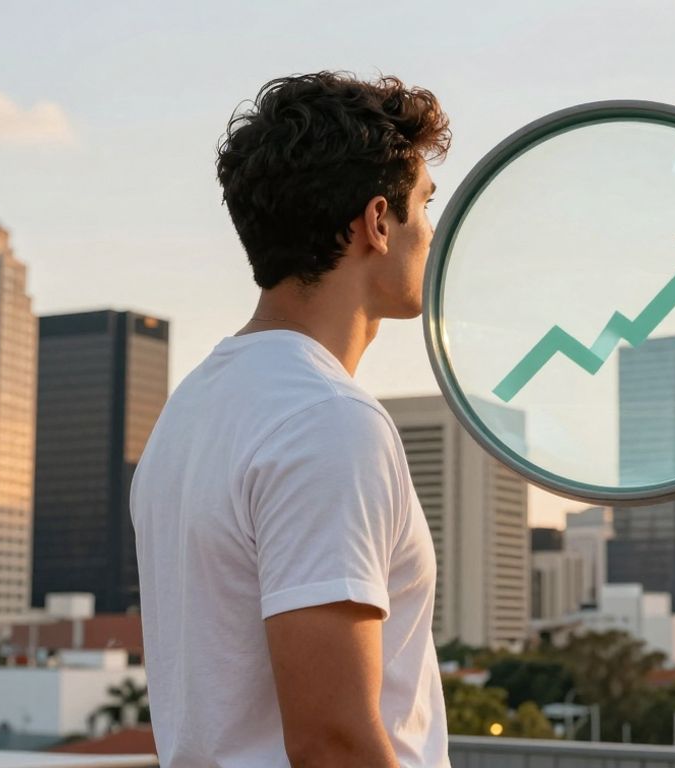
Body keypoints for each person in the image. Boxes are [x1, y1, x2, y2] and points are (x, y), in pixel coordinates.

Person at [131, 71, 451, 768]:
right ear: (376, 221)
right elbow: (332, 743)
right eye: (424, 205)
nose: (431, 230)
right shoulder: (327, 421)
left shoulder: (192, 409)